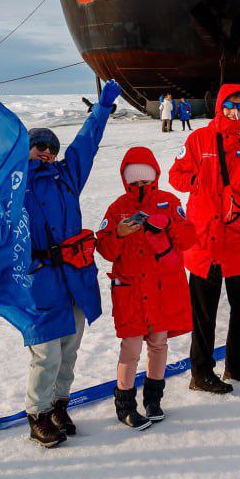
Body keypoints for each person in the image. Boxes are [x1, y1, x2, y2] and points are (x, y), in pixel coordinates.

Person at [20, 80, 121, 446]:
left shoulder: (67, 176)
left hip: (75, 276)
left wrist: (101, 110)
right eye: (39, 146)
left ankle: (60, 404)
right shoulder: (16, 185)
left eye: (51, 147)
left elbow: (86, 144)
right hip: (41, 278)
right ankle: (38, 414)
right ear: (26, 150)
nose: (47, 152)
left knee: (69, 348)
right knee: (45, 352)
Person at [170, 84, 240, 393]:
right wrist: (198, 180)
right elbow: (175, 175)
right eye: (230, 105)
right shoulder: (198, 139)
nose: (236, 111)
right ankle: (201, 373)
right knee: (204, 315)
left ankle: (238, 367)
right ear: (220, 106)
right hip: (206, 242)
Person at [96, 147, 196, 429]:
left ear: (154, 176)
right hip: (130, 290)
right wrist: (118, 233)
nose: (141, 185)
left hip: (162, 290)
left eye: (145, 179)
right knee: (130, 347)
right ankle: (125, 405)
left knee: (159, 343)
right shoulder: (117, 208)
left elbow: (189, 238)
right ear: (126, 179)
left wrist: (168, 227)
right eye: (134, 180)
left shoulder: (169, 201)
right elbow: (104, 248)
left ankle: (153, 399)